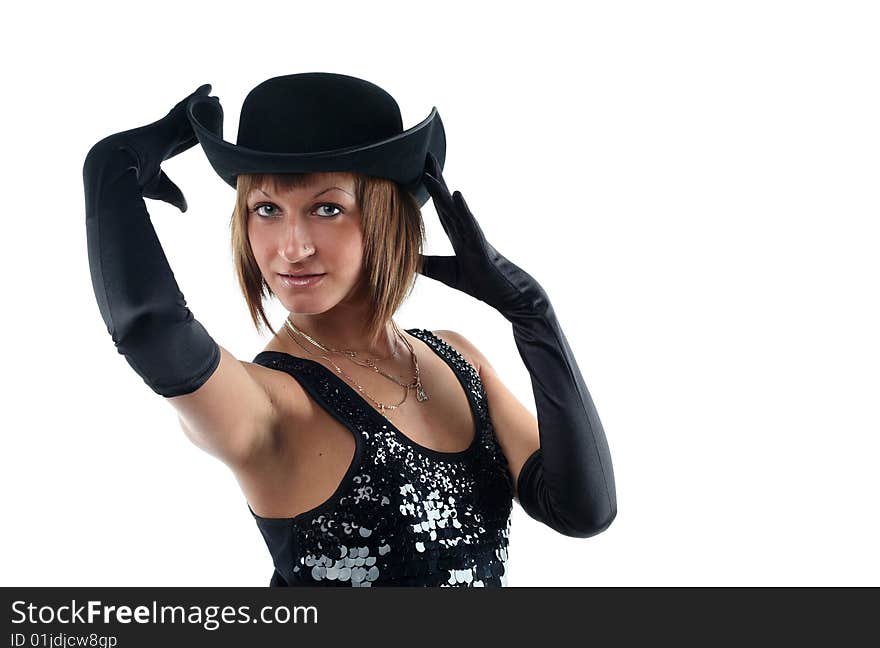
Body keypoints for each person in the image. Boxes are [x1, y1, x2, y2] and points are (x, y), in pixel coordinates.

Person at [82, 73, 617, 587]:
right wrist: (112, 165)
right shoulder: (270, 404)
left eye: (326, 209)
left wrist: (534, 316)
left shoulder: (455, 359)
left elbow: (582, 510)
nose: (292, 247)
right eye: (266, 209)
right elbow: (148, 328)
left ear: (387, 218)